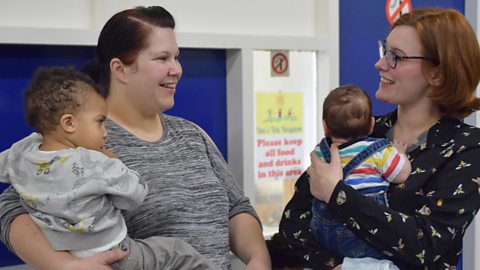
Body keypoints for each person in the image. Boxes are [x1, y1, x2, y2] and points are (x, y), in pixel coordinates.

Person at [0, 6, 270, 270]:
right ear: (119, 68)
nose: (176, 69)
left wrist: (258, 258)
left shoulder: (192, 134)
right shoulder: (79, 140)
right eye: (162, 58)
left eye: (177, 57)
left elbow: (236, 207)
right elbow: (9, 210)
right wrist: (64, 265)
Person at [267, 7, 480, 270]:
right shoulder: (363, 131)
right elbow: (292, 227)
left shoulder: (465, 148)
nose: (379, 64)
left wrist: (337, 194)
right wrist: (337, 267)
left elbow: (425, 246)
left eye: (396, 57)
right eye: (384, 51)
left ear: (437, 74)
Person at [0, 66, 217, 270]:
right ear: (69, 123)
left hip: (63, 252)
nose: (106, 131)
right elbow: (135, 196)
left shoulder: (21, 153)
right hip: (117, 254)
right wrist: (116, 162)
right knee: (178, 253)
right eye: (100, 121)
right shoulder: (95, 162)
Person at [310, 84, 411, 262]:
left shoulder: (320, 152)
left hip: (321, 232)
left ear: (325, 126)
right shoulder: (379, 151)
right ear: (372, 124)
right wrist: (400, 154)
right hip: (358, 236)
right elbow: (401, 175)